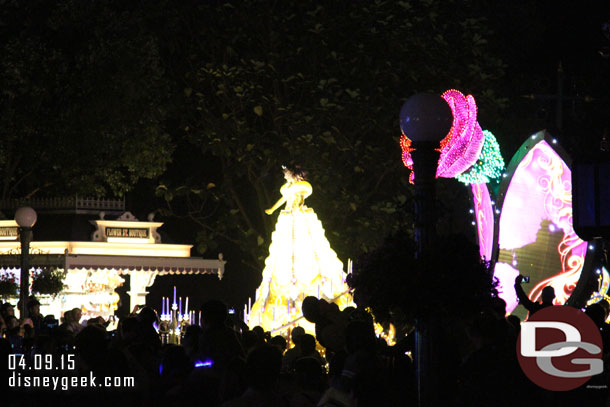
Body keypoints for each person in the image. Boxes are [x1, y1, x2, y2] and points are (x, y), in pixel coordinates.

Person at [248, 165, 350, 333]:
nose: (284, 176)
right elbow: (284, 199)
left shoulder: (302, 186)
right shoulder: (287, 187)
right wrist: (273, 209)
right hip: (287, 217)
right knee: (282, 259)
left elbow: (298, 198)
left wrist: (294, 207)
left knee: (305, 253)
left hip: (299, 216)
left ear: (293, 174)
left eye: (286, 173)